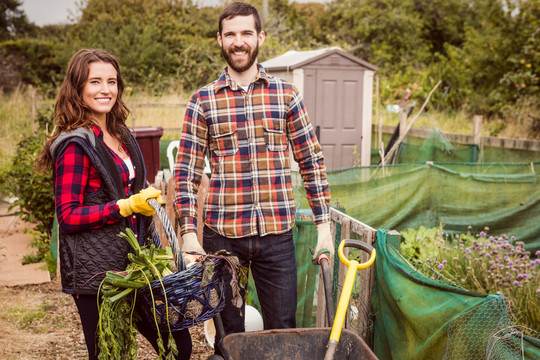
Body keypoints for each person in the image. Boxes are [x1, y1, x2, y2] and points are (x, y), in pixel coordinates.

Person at [174, 1, 334, 351]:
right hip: (223, 239)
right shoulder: (203, 101)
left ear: (260, 37)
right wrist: (188, 234)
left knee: (283, 332)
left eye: (246, 33)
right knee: (229, 335)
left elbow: (311, 160)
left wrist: (324, 227)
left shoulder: (286, 94)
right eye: (230, 34)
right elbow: (185, 173)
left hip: (276, 234)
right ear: (219, 40)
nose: (239, 41)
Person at [38, 49, 191, 360]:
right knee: (108, 354)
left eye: (112, 81)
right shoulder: (74, 145)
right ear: (78, 87)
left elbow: (125, 186)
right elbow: (67, 216)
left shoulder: (121, 133)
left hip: (135, 266)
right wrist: (124, 207)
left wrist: (144, 197)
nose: (105, 89)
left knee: (178, 345)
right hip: (98, 275)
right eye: (95, 81)